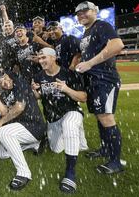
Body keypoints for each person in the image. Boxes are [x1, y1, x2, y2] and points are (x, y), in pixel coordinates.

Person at [74, 1, 125, 174]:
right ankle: (105, 149)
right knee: (99, 116)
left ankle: (116, 162)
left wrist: (89, 63)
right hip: (94, 81)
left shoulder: (102, 25)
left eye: (85, 11)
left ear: (95, 11)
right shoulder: (86, 31)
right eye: (78, 13)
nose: (81, 15)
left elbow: (117, 45)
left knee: (106, 117)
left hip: (105, 80)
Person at [32, 47, 88, 193]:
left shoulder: (68, 74)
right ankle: (73, 133)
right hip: (53, 119)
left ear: (54, 57)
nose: (41, 60)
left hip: (71, 111)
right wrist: (35, 92)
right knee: (56, 149)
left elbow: (83, 97)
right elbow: (39, 96)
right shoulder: (38, 76)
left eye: (44, 57)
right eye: (39, 58)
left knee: (69, 124)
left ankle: (70, 173)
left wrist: (66, 89)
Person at [0, 69, 47, 190]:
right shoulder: (4, 93)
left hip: (34, 126)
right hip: (20, 127)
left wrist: (0, 122)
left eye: (4, 78)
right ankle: (35, 144)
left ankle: (24, 173)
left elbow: (19, 107)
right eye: (0, 83)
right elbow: (3, 112)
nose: (5, 83)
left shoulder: (19, 82)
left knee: (3, 132)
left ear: (7, 75)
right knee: (2, 154)